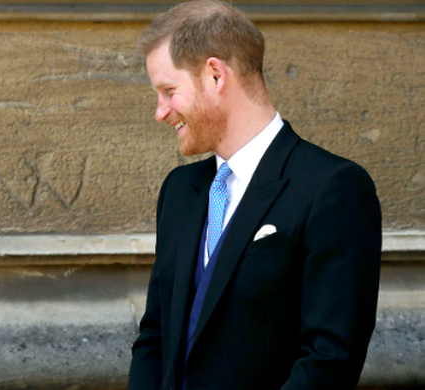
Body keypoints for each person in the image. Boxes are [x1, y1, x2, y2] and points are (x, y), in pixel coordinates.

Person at [128, 1, 382, 389]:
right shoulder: (179, 191)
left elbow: (330, 358)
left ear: (215, 75)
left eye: (169, 91)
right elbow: (155, 336)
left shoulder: (333, 187)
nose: (160, 112)